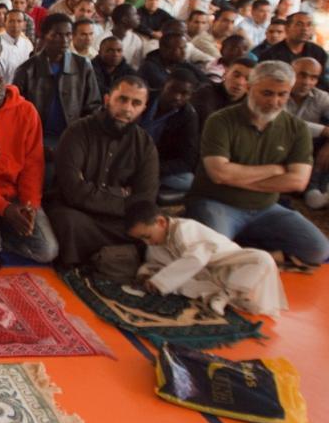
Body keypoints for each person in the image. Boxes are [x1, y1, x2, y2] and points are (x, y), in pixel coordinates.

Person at [186, 61, 329, 268]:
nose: (275, 101)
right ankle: (242, 249)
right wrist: (274, 170)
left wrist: (236, 178)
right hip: (216, 203)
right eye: (267, 93)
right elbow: (218, 173)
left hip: (265, 208)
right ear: (249, 88)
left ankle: (247, 252)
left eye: (283, 94)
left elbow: (298, 181)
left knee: (318, 250)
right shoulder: (220, 120)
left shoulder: (297, 128)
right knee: (212, 257)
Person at [45, 76, 159, 269]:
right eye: (122, 99)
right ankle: (91, 263)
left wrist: (93, 191)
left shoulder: (144, 144)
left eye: (136, 103)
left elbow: (145, 197)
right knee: (68, 222)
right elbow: (72, 190)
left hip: (117, 220)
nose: (127, 108)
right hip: (78, 213)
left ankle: (100, 259)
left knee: (148, 227)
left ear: (143, 108)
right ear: (107, 99)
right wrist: (121, 194)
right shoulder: (78, 132)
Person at [0, 57, 58, 264]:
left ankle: (3, 232)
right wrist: (3, 208)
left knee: (47, 251)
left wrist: (29, 206)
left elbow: (33, 164)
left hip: (18, 195)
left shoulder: (26, 111)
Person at [126, 201, 286, 316]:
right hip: (202, 277)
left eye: (147, 236)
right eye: (142, 239)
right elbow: (154, 264)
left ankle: (226, 295)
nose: (147, 242)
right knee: (175, 281)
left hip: (228, 267)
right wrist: (146, 276)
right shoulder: (155, 243)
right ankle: (220, 295)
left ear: (161, 222)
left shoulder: (186, 229)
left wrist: (159, 282)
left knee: (263, 258)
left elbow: (196, 260)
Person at [12, 13, 102, 154]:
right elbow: (16, 113)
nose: (64, 40)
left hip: (73, 138)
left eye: (68, 34)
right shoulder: (27, 70)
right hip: (37, 139)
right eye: (57, 35)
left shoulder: (82, 66)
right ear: (44, 36)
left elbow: (93, 106)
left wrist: (82, 138)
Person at [141, 70, 201, 194]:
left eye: (184, 93)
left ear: (191, 96)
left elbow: (187, 160)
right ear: (164, 85)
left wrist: (153, 168)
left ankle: (145, 182)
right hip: (127, 155)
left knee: (188, 180)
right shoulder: (145, 98)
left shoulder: (188, 117)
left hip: (157, 164)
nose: (177, 96)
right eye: (172, 90)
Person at [287, 58, 329, 208]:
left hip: (311, 152)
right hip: (280, 149)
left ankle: (318, 190)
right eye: (302, 75)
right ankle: (314, 193)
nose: (307, 82)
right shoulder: (278, 92)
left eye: (313, 77)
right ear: (290, 74)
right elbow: (283, 123)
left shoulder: (321, 97)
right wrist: (324, 130)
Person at [258, 12, 328, 70]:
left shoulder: (318, 53)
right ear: (287, 28)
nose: (305, 29)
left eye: (309, 25)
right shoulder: (270, 55)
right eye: (299, 24)